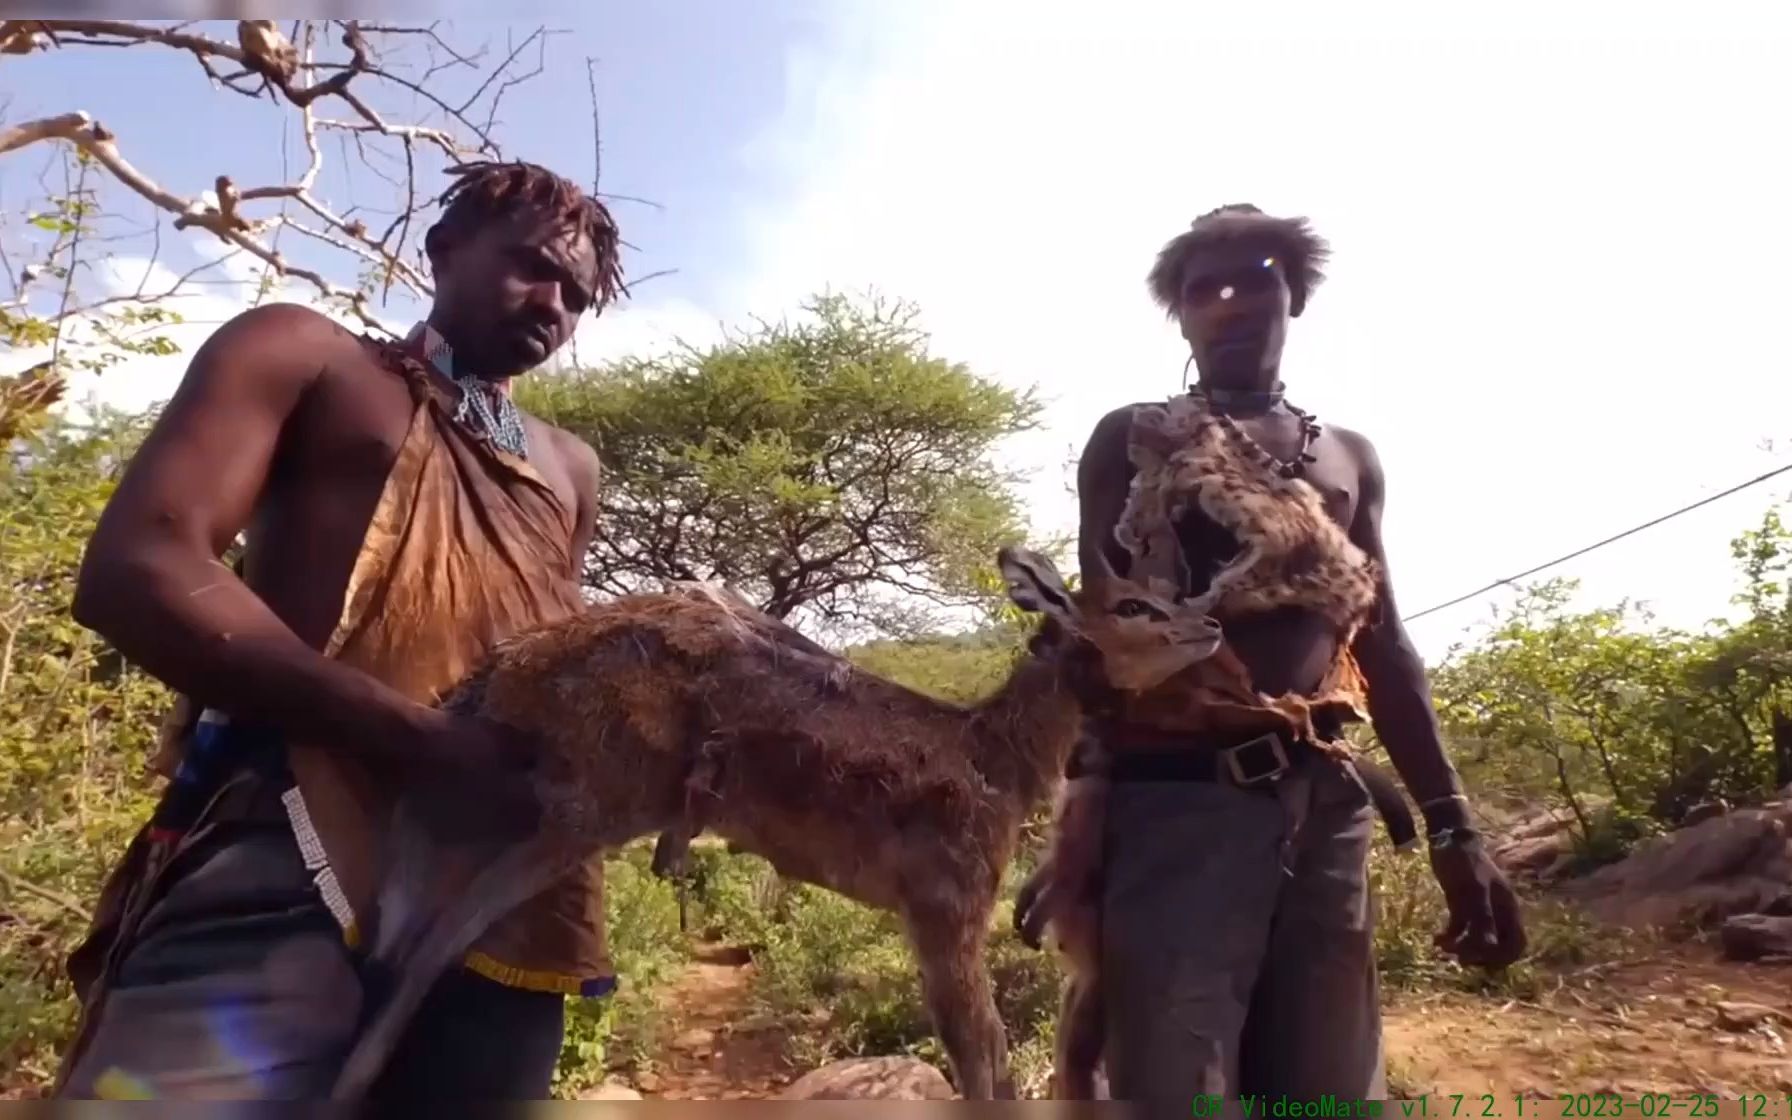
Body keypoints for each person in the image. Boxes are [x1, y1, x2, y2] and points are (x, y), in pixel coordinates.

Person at [52, 160, 626, 1100]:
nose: (552, 302)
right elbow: (140, 567)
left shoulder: (571, 470)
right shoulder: (306, 355)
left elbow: (546, 657)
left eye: (575, 294)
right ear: (443, 250)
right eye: (531, 265)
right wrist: (415, 742)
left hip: (508, 890)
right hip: (289, 839)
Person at [1063, 204, 1526, 1104]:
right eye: (1206, 288)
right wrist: (1078, 828)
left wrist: (1454, 826)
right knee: (1176, 1088)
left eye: (1258, 277)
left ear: (1295, 296)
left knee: (1329, 1091)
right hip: (1176, 807)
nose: (1232, 302)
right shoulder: (1136, 439)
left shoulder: (1350, 457)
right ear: (1182, 314)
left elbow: (1383, 641)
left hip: (1327, 808)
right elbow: (1107, 636)